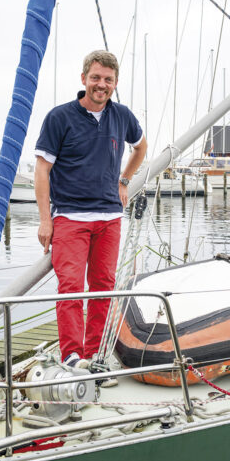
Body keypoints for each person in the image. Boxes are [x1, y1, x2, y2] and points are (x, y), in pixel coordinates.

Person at [34, 50, 147, 367]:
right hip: (70, 217)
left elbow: (141, 147)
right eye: (96, 78)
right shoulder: (60, 117)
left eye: (108, 80)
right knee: (70, 287)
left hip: (110, 218)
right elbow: (42, 170)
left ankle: (95, 354)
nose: (101, 85)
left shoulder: (121, 115)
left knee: (103, 287)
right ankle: (72, 355)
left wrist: (124, 180)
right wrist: (46, 221)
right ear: (84, 79)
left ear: (114, 83)